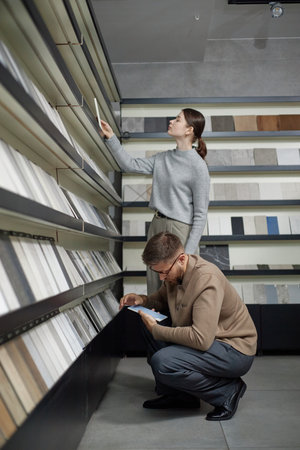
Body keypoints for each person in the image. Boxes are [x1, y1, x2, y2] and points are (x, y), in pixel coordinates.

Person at [119, 232, 257, 421]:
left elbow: (201, 338)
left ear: (182, 259)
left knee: (164, 362)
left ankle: (227, 391)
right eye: (157, 272)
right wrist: (141, 300)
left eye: (164, 272)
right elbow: (161, 299)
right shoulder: (175, 274)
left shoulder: (206, 279)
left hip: (233, 349)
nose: (161, 277)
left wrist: (157, 330)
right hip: (210, 341)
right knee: (148, 323)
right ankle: (180, 395)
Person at [100, 109, 210, 295]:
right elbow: (130, 164)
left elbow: (200, 215)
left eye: (177, 120)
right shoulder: (163, 158)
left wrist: (188, 254)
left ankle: (177, 325)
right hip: (156, 227)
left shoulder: (198, 167)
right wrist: (111, 137)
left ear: (189, 130)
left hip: (180, 231)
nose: (171, 122)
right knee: (154, 284)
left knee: (178, 290)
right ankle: (155, 323)